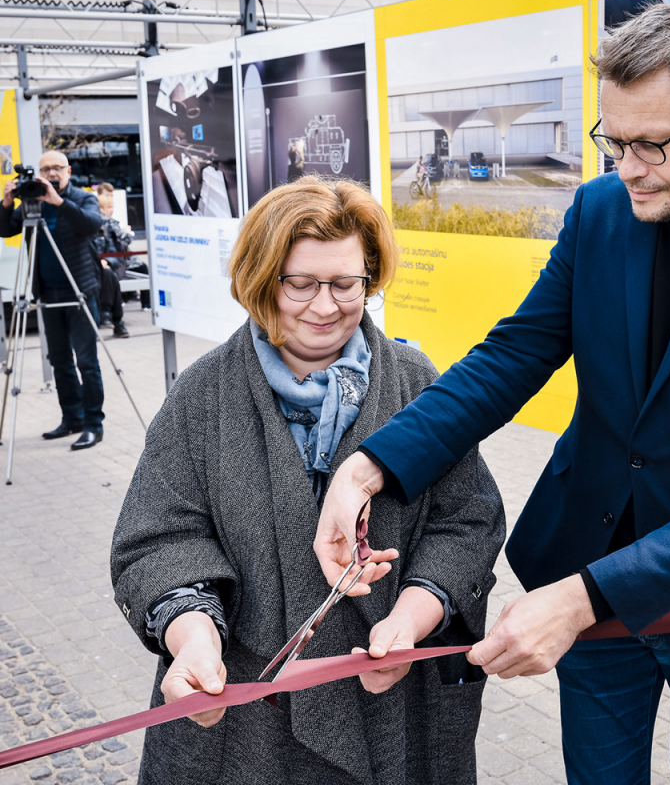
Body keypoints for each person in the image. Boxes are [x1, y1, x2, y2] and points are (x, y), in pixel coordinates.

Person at [315, 1, 670, 785]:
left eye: (651, 144)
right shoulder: (602, 210)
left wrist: (582, 598)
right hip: (590, 554)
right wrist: (370, 465)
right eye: (614, 141)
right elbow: (516, 354)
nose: (628, 167)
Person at [110, 176, 504, 785]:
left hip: (391, 702)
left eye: (346, 284)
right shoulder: (202, 394)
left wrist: (413, 617)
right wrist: (192, 639)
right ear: (261, 280)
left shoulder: (416, 381)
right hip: (244, 712)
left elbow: (468, 520)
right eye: (300, 284)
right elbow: (159, 540)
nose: (326, 306)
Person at [0, 150, 105, 450]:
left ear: (68, 170)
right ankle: (71, 417)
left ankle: (93, 424)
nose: (51, 173)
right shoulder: (32, 202)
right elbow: (4, 229)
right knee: (59, 360)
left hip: (81, 292)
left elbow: (91, 225)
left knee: (86, 362)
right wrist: (7, 203)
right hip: (47, 292)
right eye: (45, 169)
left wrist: (59, 202)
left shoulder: (83, 198)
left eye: (56, 168)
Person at [95, 183, 132, 338]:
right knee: (110, 277)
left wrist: (106, 261)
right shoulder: (97, 224)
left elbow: (112, 252)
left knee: (110, 276)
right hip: (93, 267)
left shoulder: (108, 225)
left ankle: (108, 315)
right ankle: (117, 322)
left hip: (107, 266)